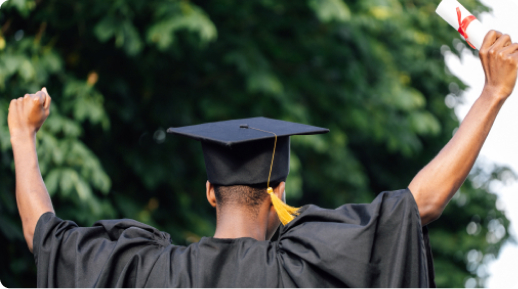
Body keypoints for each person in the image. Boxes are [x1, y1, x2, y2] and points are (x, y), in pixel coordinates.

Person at [7, 30, 518, 287]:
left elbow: (42, 235)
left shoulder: (149, 271)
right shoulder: (307, 269)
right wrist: (492, 92)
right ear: (280, 194)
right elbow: (421, 203)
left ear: (210, 192)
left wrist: (23, 137)